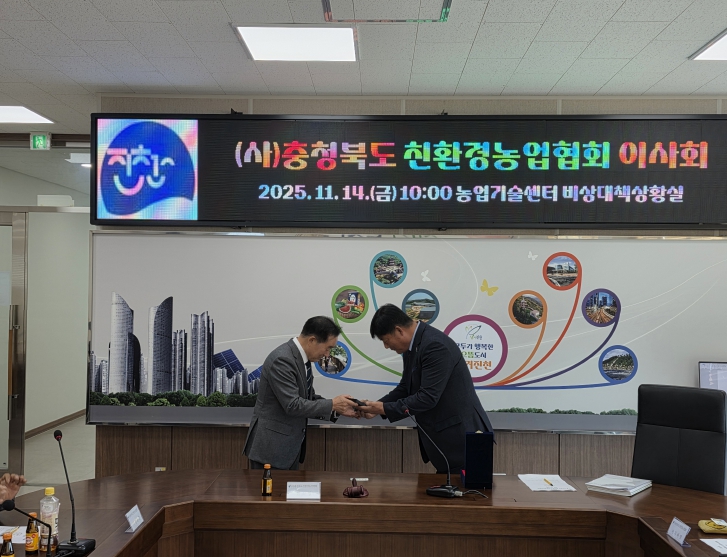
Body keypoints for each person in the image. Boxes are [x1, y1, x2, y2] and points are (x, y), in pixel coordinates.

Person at [358, 304, 493, 474]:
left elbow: (428, 397)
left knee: (467, 490)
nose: (386, 346)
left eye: (386, 340)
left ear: (399, 331)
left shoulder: (435, 345)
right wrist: (376, 407)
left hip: (463, 441)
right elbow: (406, 387)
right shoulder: (412, 347)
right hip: (447, 442)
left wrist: (384, 408)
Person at [243, 316, 359, 470]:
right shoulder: (282, 359)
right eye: (328, 348)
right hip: (271, 451)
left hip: (288, 450)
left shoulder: (302, 360)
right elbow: (293, 405)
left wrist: (338, 409)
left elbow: (308, 399)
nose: (327, 354)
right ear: (312, 340)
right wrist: (332, 404)